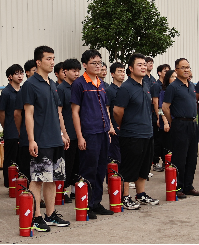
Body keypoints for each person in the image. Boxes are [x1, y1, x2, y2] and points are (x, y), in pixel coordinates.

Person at [22, 45, 70, 231]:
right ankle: (36, 216)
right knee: (38, 179)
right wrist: (32, 139)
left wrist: (63, 134)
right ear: (38, 62)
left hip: (55, 139)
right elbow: (28, 114)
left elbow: (58, 114)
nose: (52, 62)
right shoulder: (30, 85)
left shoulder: (52, 84)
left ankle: (50, 215)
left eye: (53, 58)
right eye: (48, 59)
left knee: (53, 179)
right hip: (41, 140)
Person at [71, 50, 115, 219]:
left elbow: (106, 109)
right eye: (94, 63)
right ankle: (86, 204)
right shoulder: (79, 84)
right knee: (88, 169)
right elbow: (75, 112)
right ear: (84, 65)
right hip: (89, 133)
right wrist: (80, 136)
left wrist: (109, 128)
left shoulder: (101, 84)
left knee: (100, 169)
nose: (98, 66)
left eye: (99, 63)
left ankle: (96, 203)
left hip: (103, 132)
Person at [114, 53, 159, 210]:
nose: (143, 67)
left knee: (144, 166)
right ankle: (125, 197)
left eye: (144, 64)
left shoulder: (145, 85)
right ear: (131, 69)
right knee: (129, 167)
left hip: (147, 133)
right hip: (131, 134)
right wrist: (126, 124)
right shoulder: (126, 88)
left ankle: (140, 194)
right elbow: (118, 111)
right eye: (139, 65)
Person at [163, 58, 199, 198]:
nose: (186, 70)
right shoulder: (173, 87)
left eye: (188, 67)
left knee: (192, 157)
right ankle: (177, 187)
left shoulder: (192, 85)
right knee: (180, 157)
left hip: (192, 124)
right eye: (183, 67)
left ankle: (188, 186)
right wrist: (171, 121)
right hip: (179, 124)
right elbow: (165, 107)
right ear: (176, 70)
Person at [57, 58, 82, 203]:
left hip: (79, 132)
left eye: (78, 71)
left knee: (78, 162)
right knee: (67, 163)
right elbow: (59, 112)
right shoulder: (60, 89)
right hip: (68, 133)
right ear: (65, 72)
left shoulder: (78, 87)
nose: (77, 73)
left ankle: (75, 189)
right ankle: (63, 190)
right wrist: (63, 133)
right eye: (74, 70)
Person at [0, 64, 23, 188]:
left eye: (21, 73)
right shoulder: (6, 92)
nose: (20, 76)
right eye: (17, 73)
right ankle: (9, 184)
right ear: (10, 76)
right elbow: (2, 113)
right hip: (11, 130)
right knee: (10, 159)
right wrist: (7, 127)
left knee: (21, 159)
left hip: (22, 131)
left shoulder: (24, 90)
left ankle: (20, 183)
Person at [151, 64, 170, 172]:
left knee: (164, 141)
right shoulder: (156, 85)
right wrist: (159, 117)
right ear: (159, 73)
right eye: (164, 71)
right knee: (158, 141)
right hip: (157, 116)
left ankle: (165, 161)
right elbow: (156, 102)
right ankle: (156, 162)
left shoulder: (167, 86)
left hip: (166, 117)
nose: (166, 73)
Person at [106, 62, 125, 165]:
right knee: (115, 156)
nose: (122, 74)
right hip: (114, 127)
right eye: (119, 71)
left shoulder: (125, 89)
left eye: (123, 71)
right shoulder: (109, 90)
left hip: (125, 127)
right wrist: (110, 126)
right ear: (112, 74)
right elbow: (107, 109)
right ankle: (115, 179)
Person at [158, 70, 177, 164]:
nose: (175, 79)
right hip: (167, 122)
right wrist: (166, 122)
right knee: (168, 146)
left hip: (176, 121)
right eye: (173, 77)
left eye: (176, 77)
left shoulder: (177, 90)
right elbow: (161, 108)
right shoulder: (164, 92)